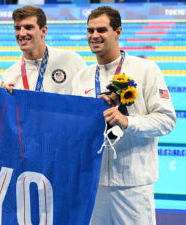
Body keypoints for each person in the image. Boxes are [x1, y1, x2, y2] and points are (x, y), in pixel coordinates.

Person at [72, 6, 176, 224]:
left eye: (101, 30)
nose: (94, 36)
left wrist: (128, 121)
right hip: (94, 184)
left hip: (133, 185)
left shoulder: (146, 69)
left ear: (118, 32)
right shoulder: (82, 77)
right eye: (90, 31)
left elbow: (167, 120)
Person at [2, 5, 86, 94]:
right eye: (17, 28)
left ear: (43, 31)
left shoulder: (71, 61)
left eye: (28, 27)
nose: (21, 33)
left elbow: (89, 95)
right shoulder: (9, 76)